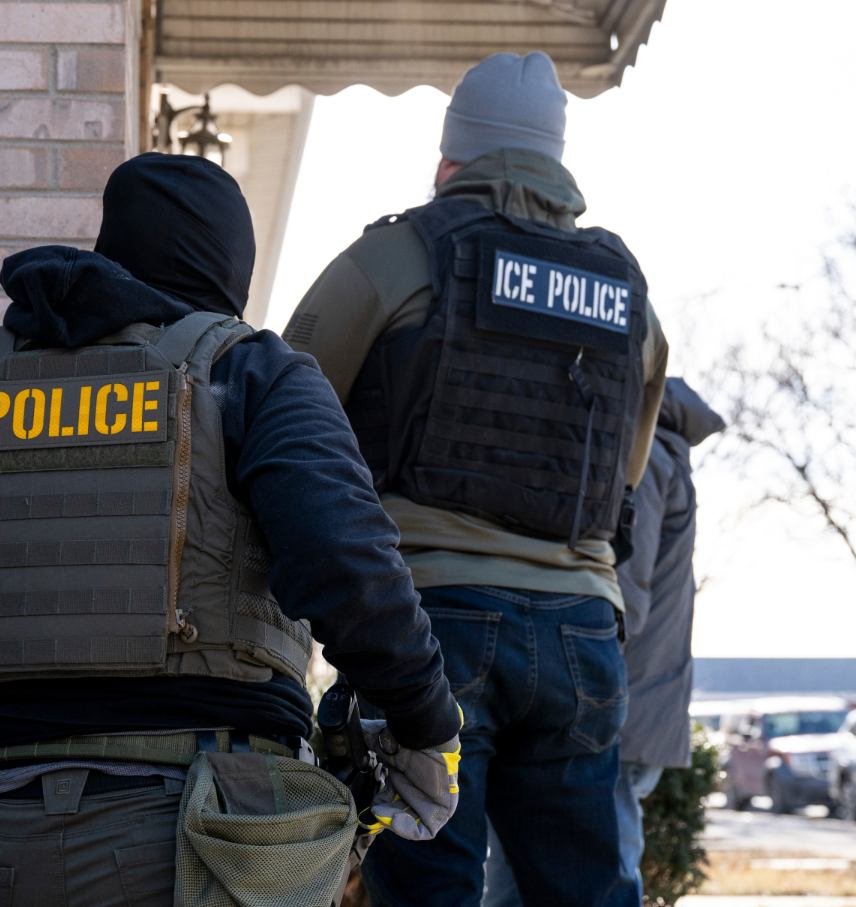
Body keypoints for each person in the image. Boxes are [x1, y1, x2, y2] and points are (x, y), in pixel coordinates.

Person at [0, 153, 462, 906]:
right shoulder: (250, 370)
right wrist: (427, 721)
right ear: (230, 267)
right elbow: (350, 564)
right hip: (196, 831)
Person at [283, 52, 669, 906]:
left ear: (450, 157)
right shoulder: (627, 293)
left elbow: (281, 408)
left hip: (427, 629)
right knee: (586, 891)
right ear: (555, 160)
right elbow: (626, 472)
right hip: (581, 634)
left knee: (429, 890)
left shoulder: (397, 257)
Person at [483, 377, 724, 905]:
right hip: (621, 699)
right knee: (533, 871)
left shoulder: (645, 455)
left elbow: (623, 594)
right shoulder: (652, 448)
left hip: (608, 706)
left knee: (586, 871)